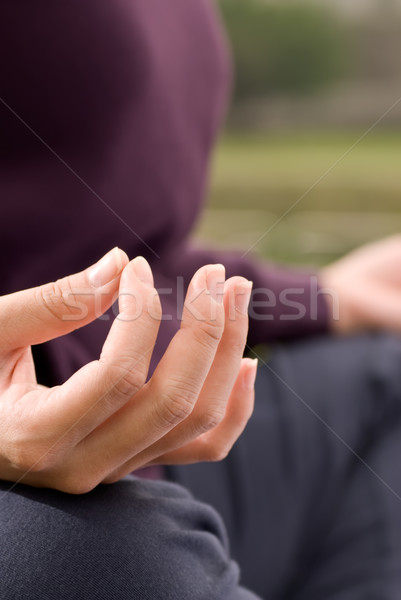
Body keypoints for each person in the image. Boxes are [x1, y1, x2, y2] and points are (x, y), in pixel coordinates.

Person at [2, 1, 401, 598]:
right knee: (103, 563)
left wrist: (316, 295)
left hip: (147, 464)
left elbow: (114, 251)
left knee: (388, 377)